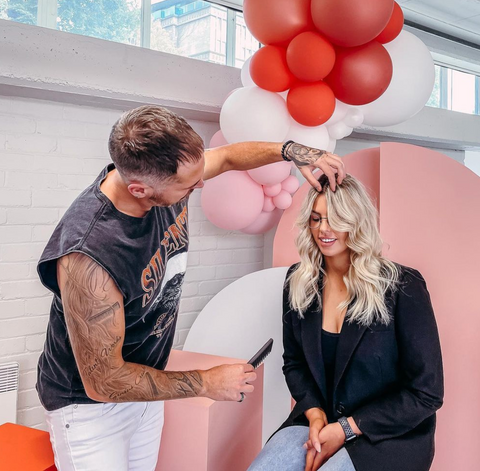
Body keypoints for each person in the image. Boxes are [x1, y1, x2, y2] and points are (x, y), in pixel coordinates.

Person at [35, 106, 345, 471]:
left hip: (145, 389)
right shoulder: (89, 255)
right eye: (188, 185)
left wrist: (293, 151)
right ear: (140, 190)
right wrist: (207, 383)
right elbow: (103, 381)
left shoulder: (167, 173)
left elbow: (226, 157)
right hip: (89, 410)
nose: (200, 186)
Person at [248, 173, 444, 471]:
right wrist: (314, 413)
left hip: (388, 433)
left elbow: (426, 393)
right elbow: (295, 363)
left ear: (357, 222)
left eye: (336, 219)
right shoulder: (298, 281)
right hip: (320, 418)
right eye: (316, 219)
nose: (323, 229)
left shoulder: (403, 286)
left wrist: (346, 428)